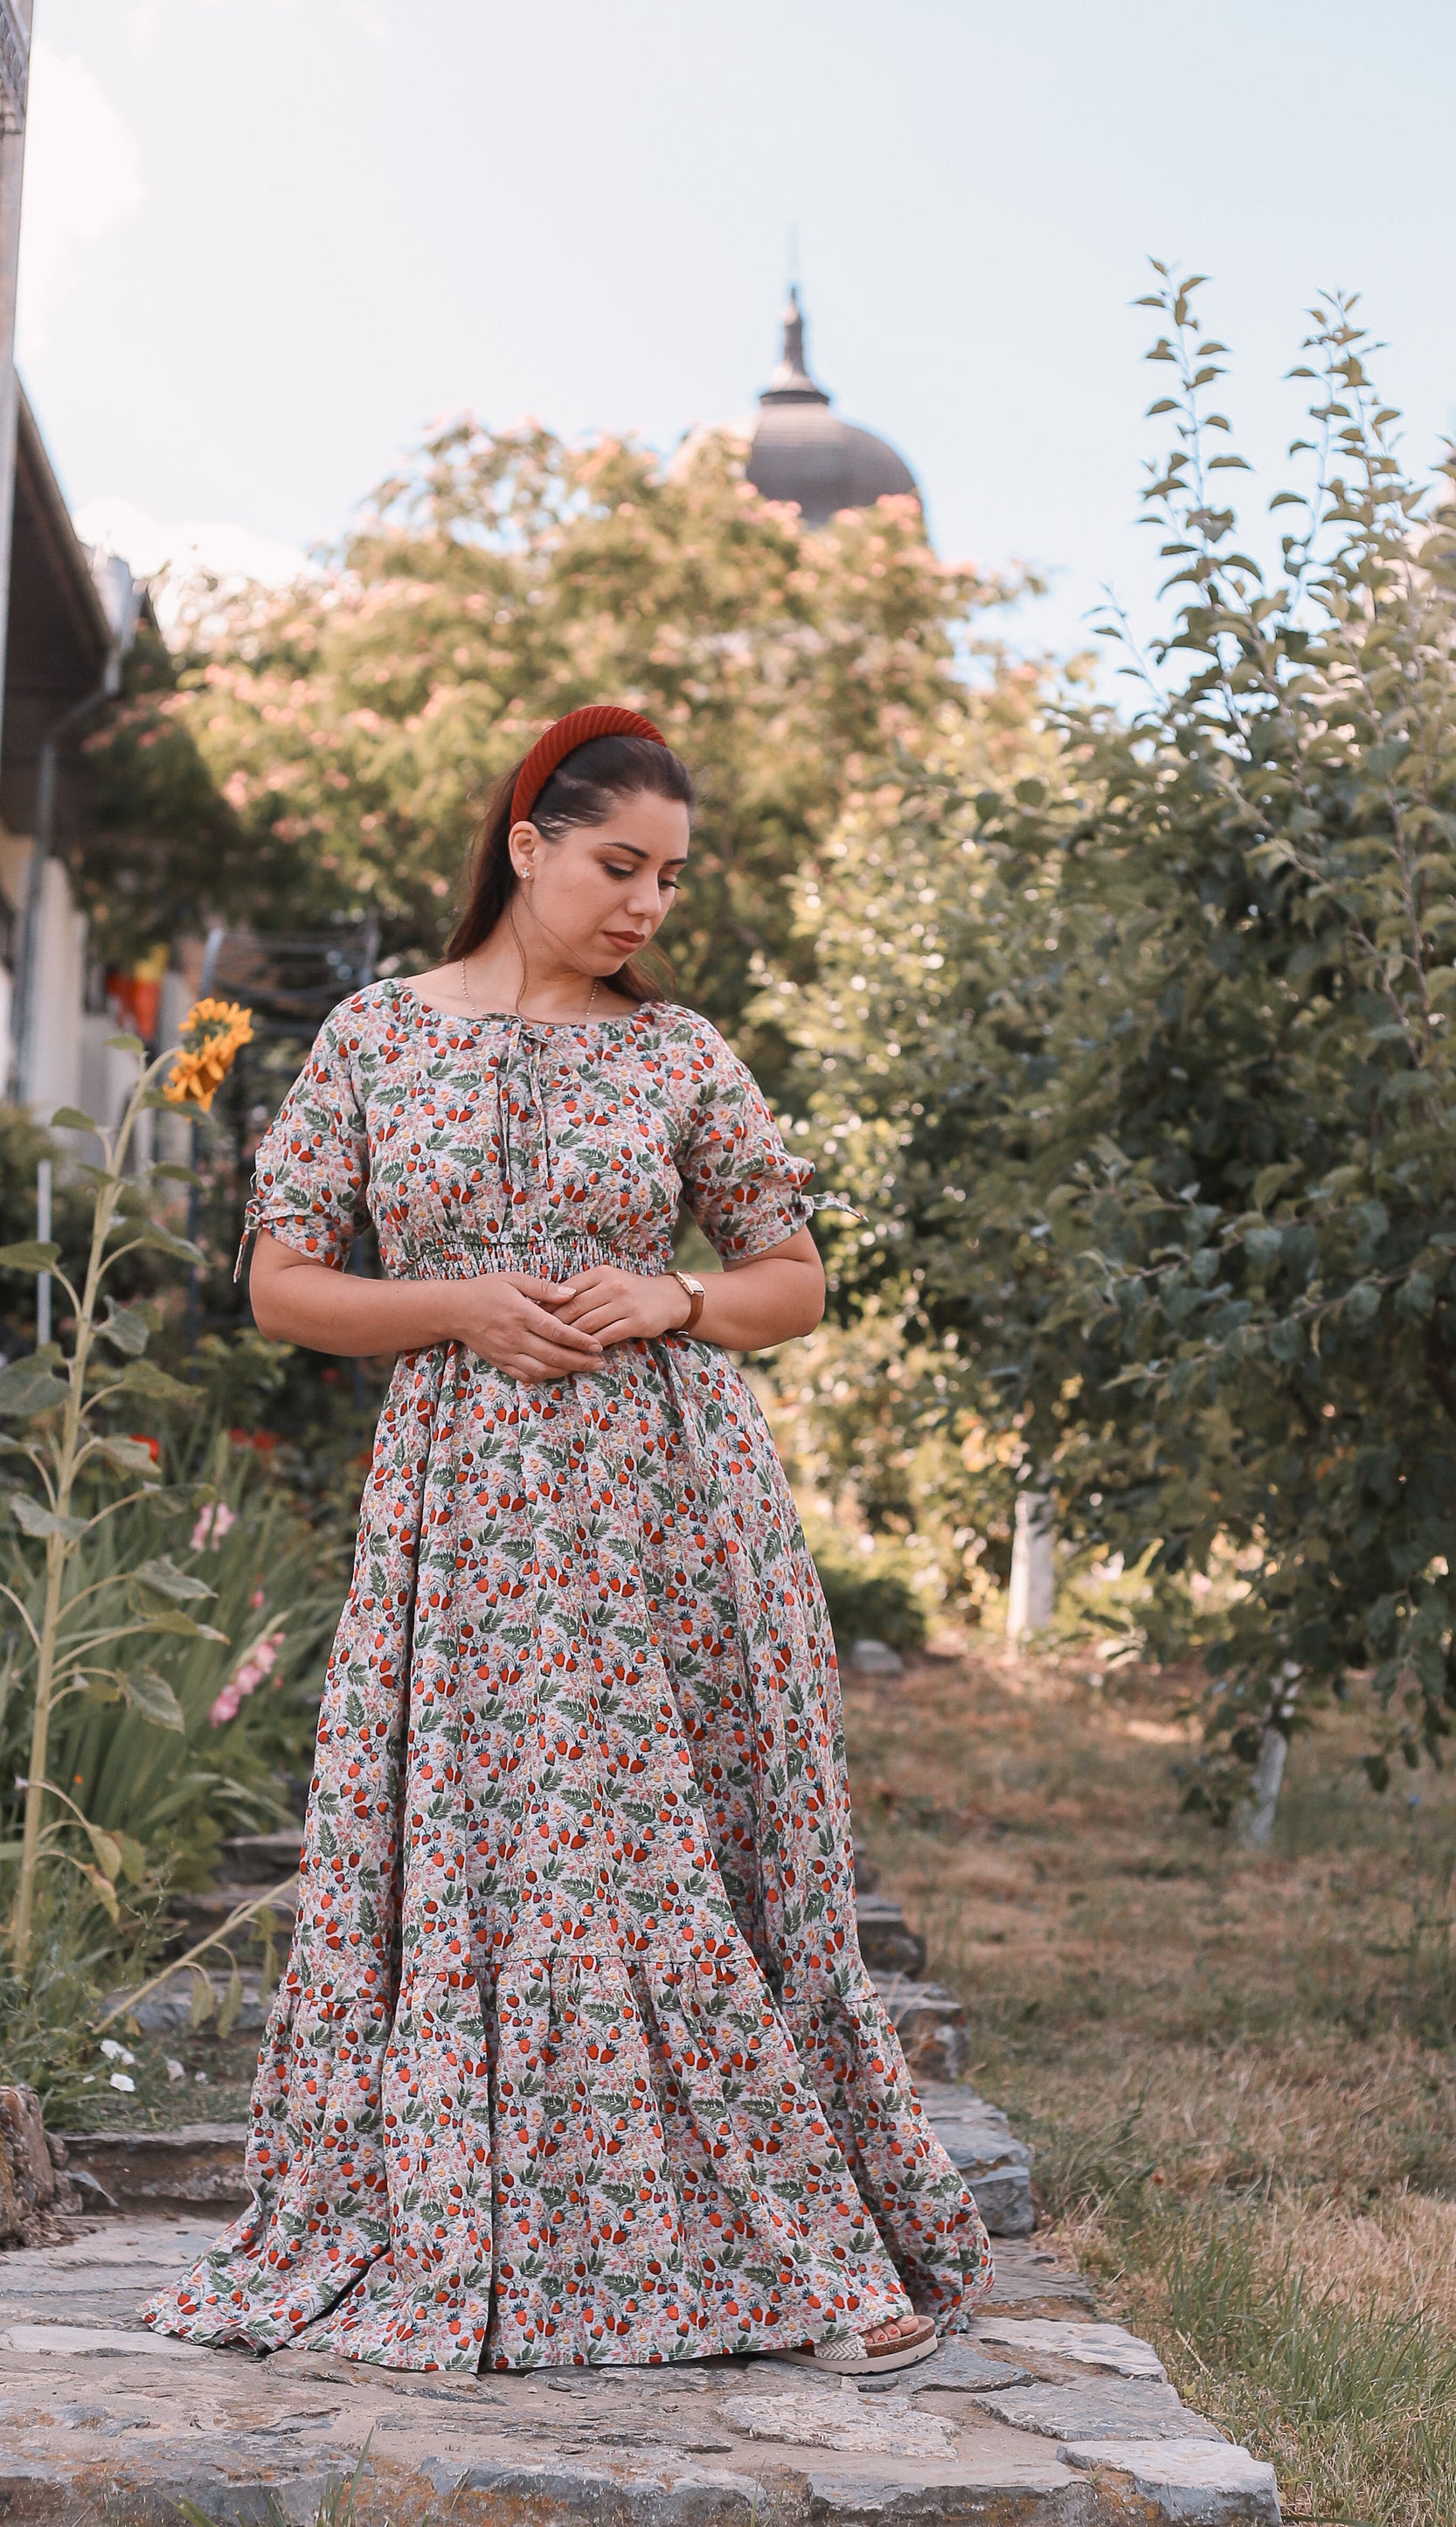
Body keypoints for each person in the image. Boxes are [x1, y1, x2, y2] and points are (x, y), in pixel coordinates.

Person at [145, 705, 991, 2372]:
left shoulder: (678, 1054)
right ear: (526, 842)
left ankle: (798, 2249)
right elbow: (282, 1284)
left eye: (669, 880)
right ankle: (524, 2236)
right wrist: (456, 1304)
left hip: (671, 1503)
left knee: (677, 1853)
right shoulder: (376, 1039)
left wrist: (675, 1291)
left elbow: (791, 1278)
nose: (646, 907)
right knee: (519, 1853)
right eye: (620, 866)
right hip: (468, 1506)